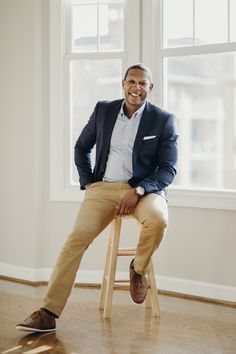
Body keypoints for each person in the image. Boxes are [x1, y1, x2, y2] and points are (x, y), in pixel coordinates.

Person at [16, 63, 178, 332]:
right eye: (131, 82)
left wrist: (138, 191)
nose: (136, 88)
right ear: (123, 83)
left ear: (151, 87)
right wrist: (89, 183)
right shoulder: (104, 110)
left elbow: (168, 169)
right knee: (75, 240)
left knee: (159, 220)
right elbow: (81, 147)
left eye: (142, 84)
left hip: (144, 190)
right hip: (103, 188)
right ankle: (47, 313)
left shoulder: (162, 119)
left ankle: (138, 269)